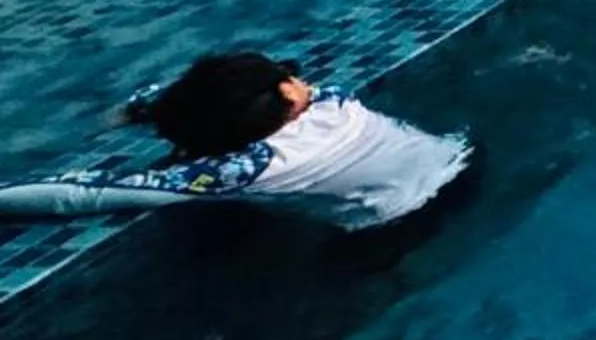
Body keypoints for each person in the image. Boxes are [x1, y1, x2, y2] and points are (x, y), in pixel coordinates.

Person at [0, 52, 472, 230]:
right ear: (288, 92)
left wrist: (128, 114)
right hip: (463, 164)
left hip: (400, 223)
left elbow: (81, 195)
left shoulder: (240, 171)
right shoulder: (335, 103)